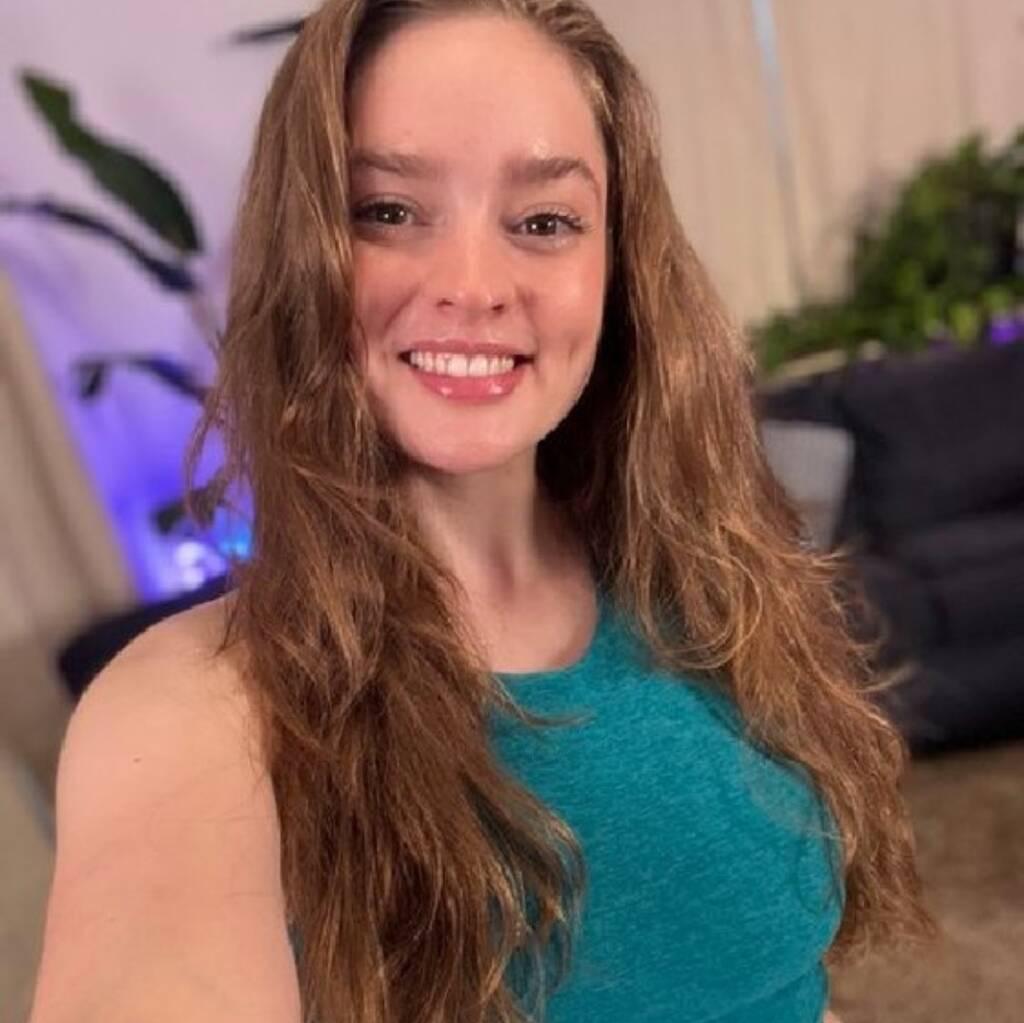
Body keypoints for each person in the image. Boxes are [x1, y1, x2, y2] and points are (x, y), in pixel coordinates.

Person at [29, 1, 937, 1021]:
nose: (472, 285)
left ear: (618, 266)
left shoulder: (711, 580)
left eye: (543, 222)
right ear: (302, 250)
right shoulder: (193, 713)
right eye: (387, 210)